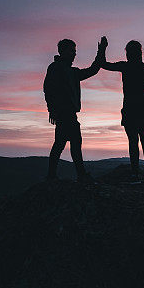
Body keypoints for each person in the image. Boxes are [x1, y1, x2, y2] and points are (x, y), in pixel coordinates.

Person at [43, 36, 107, 181]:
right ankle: (77, 175)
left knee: (64, 143)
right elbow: (48, 89)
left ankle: (55, 175)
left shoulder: (73, 72)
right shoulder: (55, 68)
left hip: (69, 113)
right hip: (63, 113)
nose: (74, 54)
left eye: (74, 51)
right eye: (71, 51)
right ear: (62, 52)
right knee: (70, 143)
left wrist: (101, 51)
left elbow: (93, 70)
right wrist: (52, 109)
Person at [101, 39, 144, 182]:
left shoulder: (126, 67)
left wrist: (102, 49)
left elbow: (104, 64)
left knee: (134, 141)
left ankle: (136, 173)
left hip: (132, 108)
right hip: (143, 108)